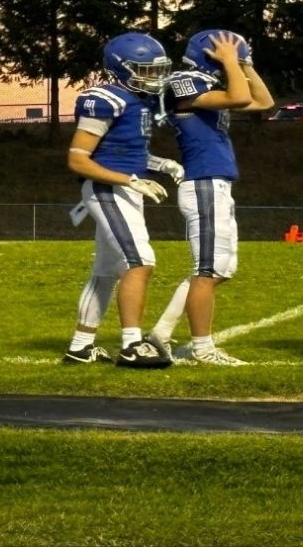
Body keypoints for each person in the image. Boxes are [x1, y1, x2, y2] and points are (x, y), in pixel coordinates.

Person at [147, 30, 275, 365]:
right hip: (202, 182)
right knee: (207, 269)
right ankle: (202, 347)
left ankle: (160, 334)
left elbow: (263, 102)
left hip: (215, 183)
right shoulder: (184, 82)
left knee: (219, 268)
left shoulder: (208, 81)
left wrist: (243, 64)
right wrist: (232, 63)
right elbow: (236, 97)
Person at [62, 32, 175, 368]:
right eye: (146, 70)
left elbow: (126, 152)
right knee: (140, 262)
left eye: (158, 70)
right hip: (107, 189)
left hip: (124, 187)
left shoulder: (139, 100)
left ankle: (81, 347)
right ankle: (131, 344)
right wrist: (130, 180)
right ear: (121, 69)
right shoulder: (105, 99)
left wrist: (161, 164)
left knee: (106, 271)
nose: (155, 78)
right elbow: (78, 159)